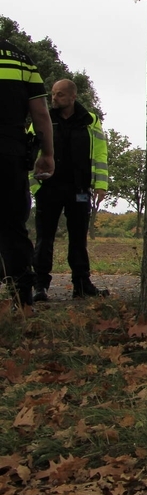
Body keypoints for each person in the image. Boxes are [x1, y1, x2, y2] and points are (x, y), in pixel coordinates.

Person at [32, 78, 109, 300]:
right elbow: (29, 153)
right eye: (53, 94)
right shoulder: (43, 119)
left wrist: (101, 185)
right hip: (49, 188)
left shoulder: (90, 121)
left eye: (60, 94)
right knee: (44, 238)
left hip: (79, 188)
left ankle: (81, 285)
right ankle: (40, 286)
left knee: (78, 239)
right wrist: (35, 187)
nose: (54, 98)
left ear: (73, 97)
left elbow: (100, 154)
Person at [0, 38, 55, 308]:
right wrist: (48, 154)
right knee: (13, 226)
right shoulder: (21, 59)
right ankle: (22, 301)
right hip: (9, 152)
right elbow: (40, 113)